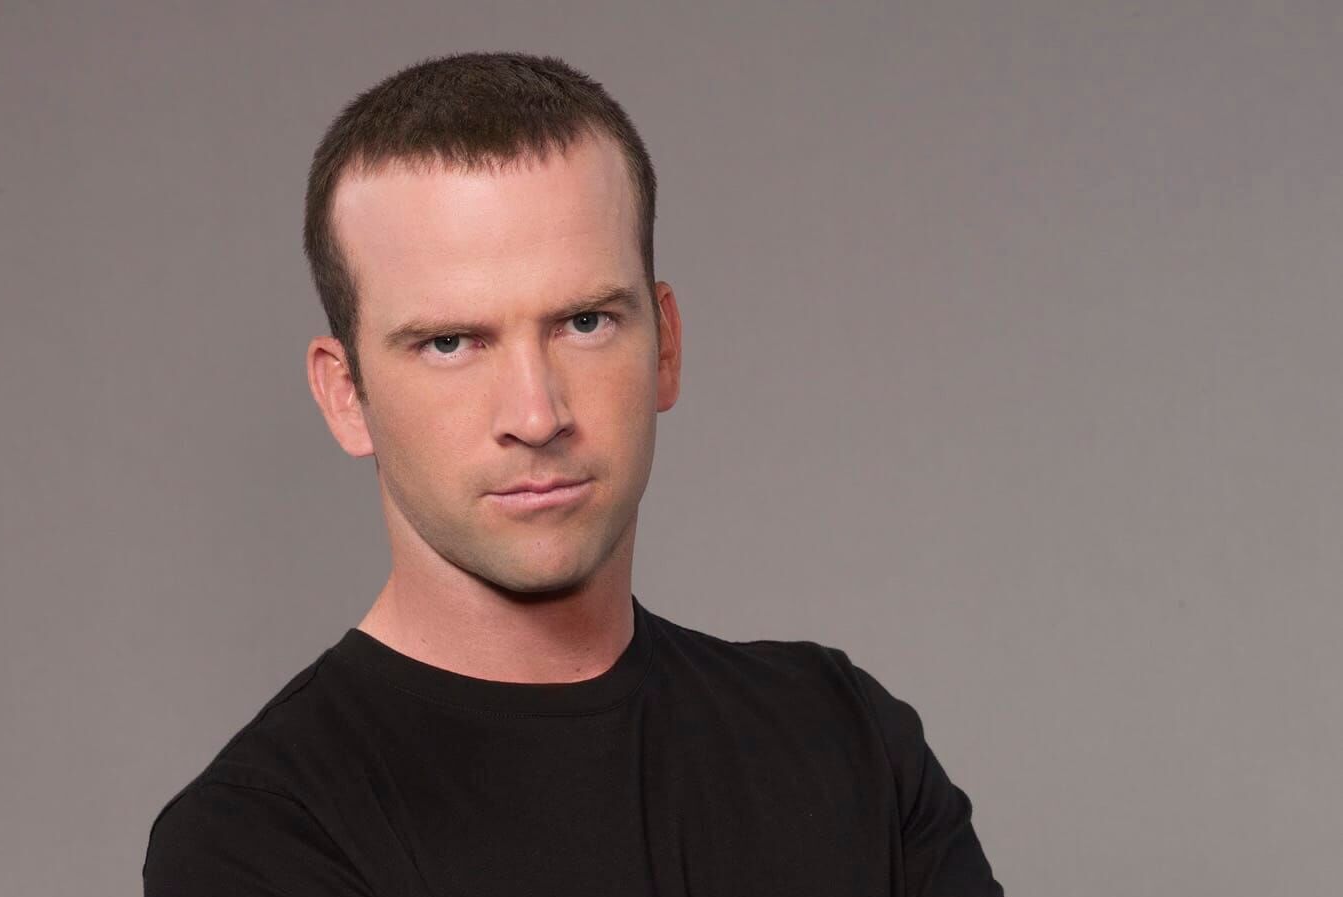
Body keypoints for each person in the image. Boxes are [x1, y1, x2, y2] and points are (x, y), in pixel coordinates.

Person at [142, 51, 1003, 896]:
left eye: (585, 322)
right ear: (345, 394)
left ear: (665, 345)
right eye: (450, 342)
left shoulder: (845, 740)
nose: (536, 413)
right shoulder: (256, 838)